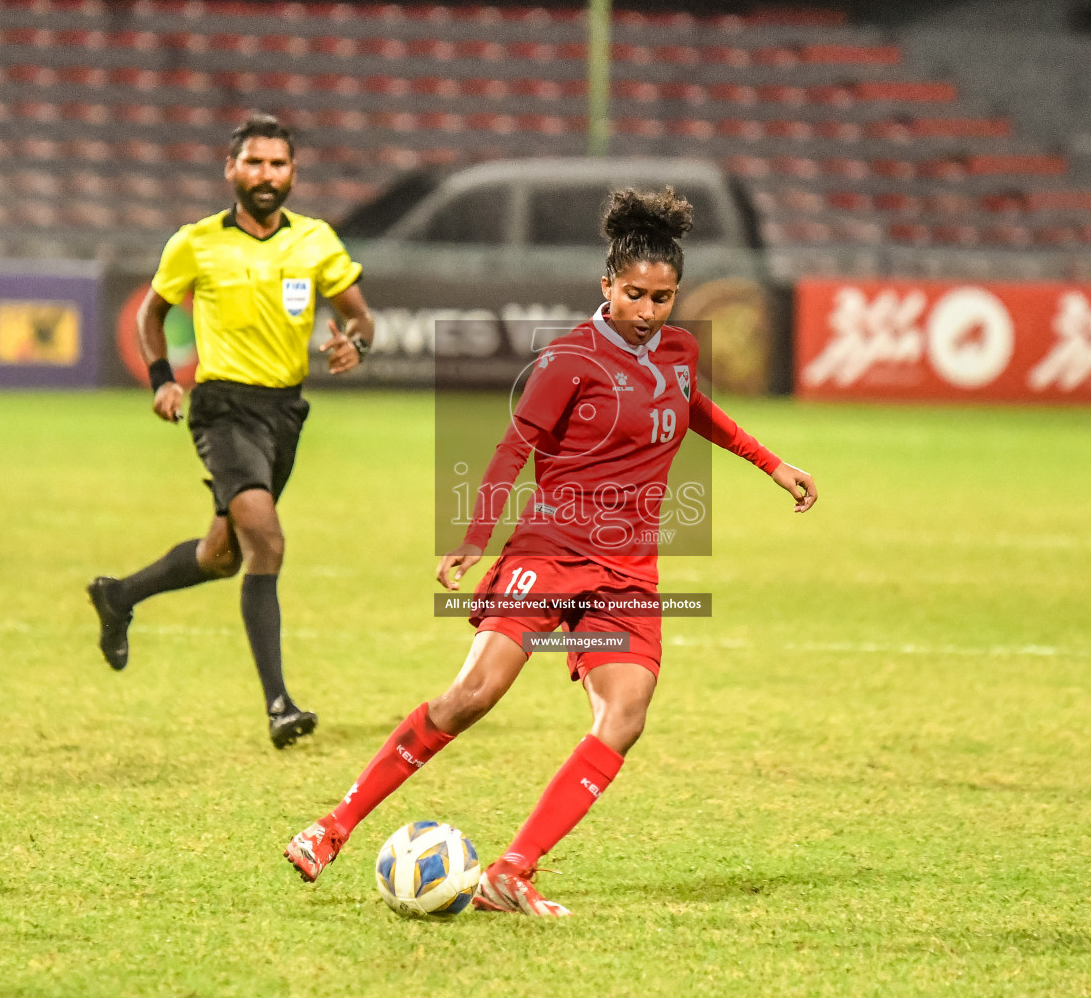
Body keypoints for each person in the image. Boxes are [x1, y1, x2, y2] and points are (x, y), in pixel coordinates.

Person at [284, 187, 817, 914]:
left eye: (663, 297)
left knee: (625, 714)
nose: (650, 310)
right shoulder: (569, 358)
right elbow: (512, 449)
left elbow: (696, 409)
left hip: (627, 572)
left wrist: (772, 462)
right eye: (635, 294)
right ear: (606, 285)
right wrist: (474, 538)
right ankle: (333, 827)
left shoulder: (683, 349)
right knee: (474, 695)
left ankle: (511, 872)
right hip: (550, 550)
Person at [87, 114, 375, 749]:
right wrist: (164, 377)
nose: (266, 175)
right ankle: (279, 704)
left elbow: (361, 319)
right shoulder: (195, 242)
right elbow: (151, 313)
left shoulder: (317, 241)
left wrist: (353, 344)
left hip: (284, 412)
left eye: (277, 164)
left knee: (222, 556)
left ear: (292, 173)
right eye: (254, 163)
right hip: (221, 406)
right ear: (231, 170)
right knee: (265, 540)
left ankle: (118, 595)